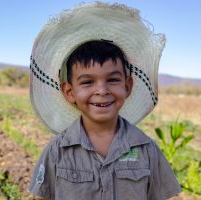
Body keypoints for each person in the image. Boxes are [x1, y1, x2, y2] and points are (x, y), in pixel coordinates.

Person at [28, 2, 181, 200]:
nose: (102, 90)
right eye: (87, 82)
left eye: (113, 80)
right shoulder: (57, 150)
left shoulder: (147, 149)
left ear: (127, 86)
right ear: (69, 92)